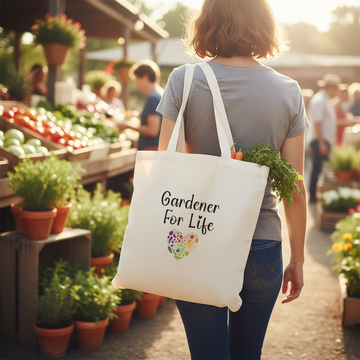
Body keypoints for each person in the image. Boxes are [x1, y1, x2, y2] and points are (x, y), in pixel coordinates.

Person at [156, 1, 309, 359]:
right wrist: (297, 259)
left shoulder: (184, 79)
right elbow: (294, 189)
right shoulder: (288, 91)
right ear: (265, 24)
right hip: (263, 246)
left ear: (207, 22)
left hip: (197, 238)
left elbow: (167, 167)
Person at [116, 59, 163, 151]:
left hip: (151, 149)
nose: (136, 84)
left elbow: (152, 130)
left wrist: (127, 125)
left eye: (137, 79)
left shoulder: (152, 98)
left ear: (145, 77)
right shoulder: (161, 93)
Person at [308, 74, 340, 202]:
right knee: (318, 168)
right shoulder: (320, 100)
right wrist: (321, 143)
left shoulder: (324, 100)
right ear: (330, 87)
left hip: (323, 141)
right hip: (320, 141)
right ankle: (313, 196)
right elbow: (317, 123)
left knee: (321, 169)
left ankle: (317, 195)